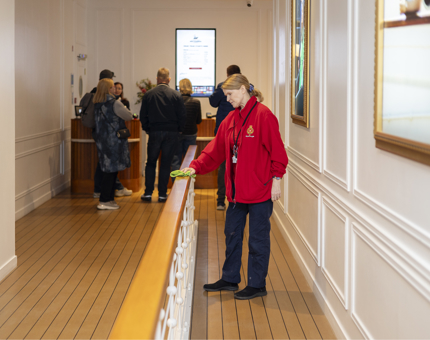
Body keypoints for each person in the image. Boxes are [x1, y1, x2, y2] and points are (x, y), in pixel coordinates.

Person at [181, 74, 288, 300]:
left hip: (260, 191)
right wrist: (196, 166)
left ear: (242, 89)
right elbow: (216, 149)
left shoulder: (264, 116)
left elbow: (278, 153)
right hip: (237, 193)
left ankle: (257, 284)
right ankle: (230, 278)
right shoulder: (230, 119)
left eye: (229, 94)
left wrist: (276, 180)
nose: (227, 99)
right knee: (232, 235)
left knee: (258, 240)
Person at [140, 67, 186, 203]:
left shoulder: (149, 94)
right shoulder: (176, 95)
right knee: (166, 163)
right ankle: (162, 194)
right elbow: (182, 115)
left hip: (154, 132)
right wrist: (179, 130)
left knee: (151, 163)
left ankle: (148, 193)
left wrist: (148, 129)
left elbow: (143, 115)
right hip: (171, 132)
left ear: (157, 79)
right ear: (169, 79)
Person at [92, 78, 134, 210]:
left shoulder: (97, 103)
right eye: (112, 87)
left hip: (102, 142)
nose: (114, 89)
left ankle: (109, 199)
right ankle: (105, 200)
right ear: (109, 89)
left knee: (107, 170)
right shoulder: (114, 103)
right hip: (114, 142)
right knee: (111, 172)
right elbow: (129, 116)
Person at [209, 65, 241, 211]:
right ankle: (239, 199)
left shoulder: (223, 86)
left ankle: (221, 201)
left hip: (224, 131)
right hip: (242, 132)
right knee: (241, 165)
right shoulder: (246, 87)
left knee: (223, 166)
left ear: (227, 74)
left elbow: (212, 102)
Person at [171, 78, 202, 178]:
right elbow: (198, 121)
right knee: (189, 160)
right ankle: (187, 185)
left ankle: (175, 184)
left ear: (180, 88)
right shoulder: (196, 102)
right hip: (191, 133)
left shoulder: (174, 102)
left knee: (176, 159)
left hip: (177, 134)